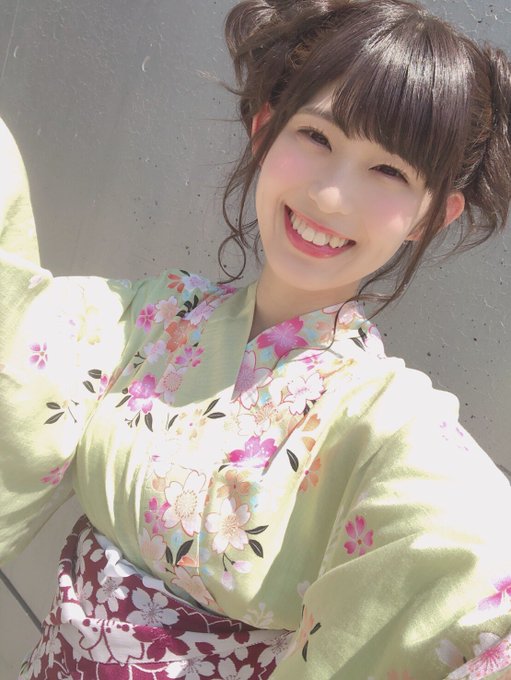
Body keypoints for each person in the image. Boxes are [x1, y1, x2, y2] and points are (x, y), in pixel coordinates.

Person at [1, 0, 511, 677]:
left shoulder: (384, 423)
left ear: (431, 214)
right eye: (317, 136)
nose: (331, 196)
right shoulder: (154, 315)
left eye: (389, 171)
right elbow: (18, 332)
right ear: (264, 130)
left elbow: (471, 560)